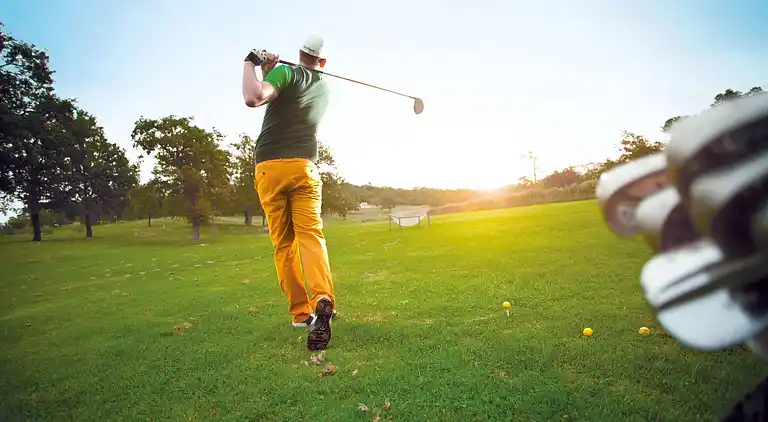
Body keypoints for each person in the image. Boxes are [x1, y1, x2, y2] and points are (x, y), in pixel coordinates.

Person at [241, 35, 337, 351]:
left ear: (299, 53)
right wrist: (271, 71)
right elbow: (288, 92)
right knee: (311, 235)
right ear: (322, 62)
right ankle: (323, 298)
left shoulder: (287, 73)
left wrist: (251, 63)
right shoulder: (324, 89)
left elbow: (254, 97)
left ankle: (300, 313)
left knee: (284, 243)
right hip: (305, 168)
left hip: (270, 167)